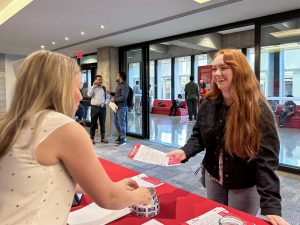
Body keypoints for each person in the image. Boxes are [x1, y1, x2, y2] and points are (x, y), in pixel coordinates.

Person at [0, 50, 151, 225]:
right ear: (57, 88)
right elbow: (109, 198)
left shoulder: (10, 123)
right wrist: (136, 196)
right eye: (76, 87)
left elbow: (53, 179)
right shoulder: (62, 127)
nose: (80, 96)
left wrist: (112, 186)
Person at [168, 49, 289, 225]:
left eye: (223, 68)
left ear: (239, 70)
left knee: (236, 221)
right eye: (214, 69)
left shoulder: (258, 109)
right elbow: (198, 136)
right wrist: (185, 151)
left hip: (243, 181)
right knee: (215, 218)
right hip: (213, 176)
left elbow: (266, 160)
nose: (216, 74)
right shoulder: (208, 102)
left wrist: (272, 206)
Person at [87, 75, 109, 144]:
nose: (100, 81)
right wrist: (93, 86)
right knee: (93, 124)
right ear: (95, 80)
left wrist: (104, 104)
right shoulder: (92, 88)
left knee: (102, 123)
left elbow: (107, 98)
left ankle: (103, 138)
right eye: (99, 79)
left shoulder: (104, 88)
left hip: (102, 108)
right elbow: (89, 95)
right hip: (94, 108)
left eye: (101, 79)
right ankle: (92, 138)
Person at [109, 72, 129, 145]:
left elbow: (124, 97)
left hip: (121, 107)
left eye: (117, 76)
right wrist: (111, 93)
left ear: (120, 77)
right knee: (116, 122)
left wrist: (114, 99)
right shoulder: (119, 85)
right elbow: (118, 95)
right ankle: (120, 135)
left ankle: (124, 138)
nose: (116, 77)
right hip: (116, 107)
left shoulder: (124, 86)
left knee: (121, 123)